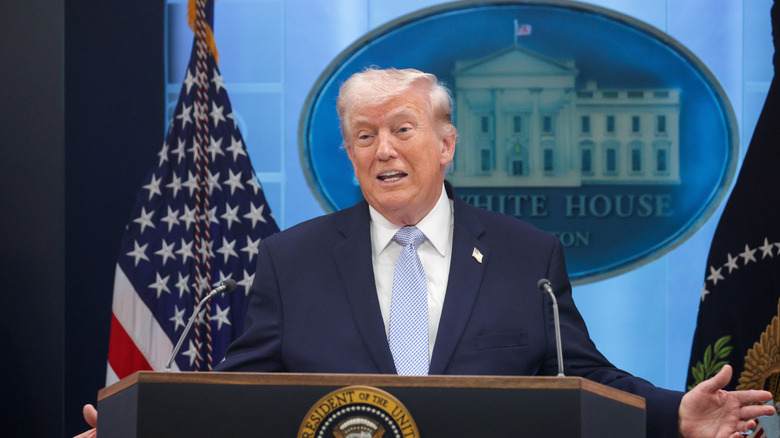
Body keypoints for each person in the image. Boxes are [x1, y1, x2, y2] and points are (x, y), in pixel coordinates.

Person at [78, 67, 774, 437]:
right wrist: (139, 427)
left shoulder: (526, 256)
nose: (382, 149)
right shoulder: (291, 261)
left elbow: (581, 375)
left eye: (401, 129)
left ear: (445, 145)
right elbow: (238, 392)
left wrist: (673, 413)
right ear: (349, 155)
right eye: (362, 135)